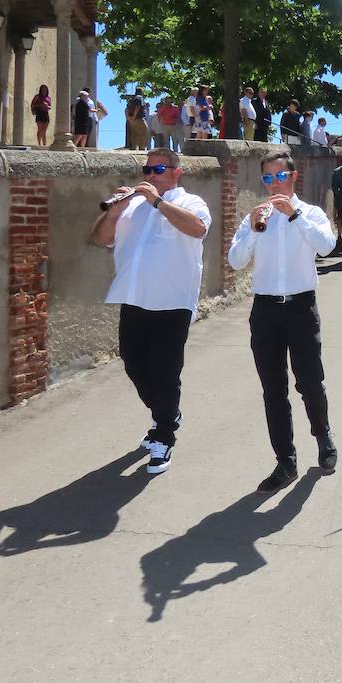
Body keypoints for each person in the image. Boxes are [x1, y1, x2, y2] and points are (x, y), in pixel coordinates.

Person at [92, 149, 212, 474]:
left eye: (158, 168)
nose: (151, 174)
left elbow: (198, 229)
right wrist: (115, 211)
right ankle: (167, 414)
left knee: (164, 372)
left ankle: (163, 436)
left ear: (177, 171)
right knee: (134, 365)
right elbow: (101, 238)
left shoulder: (191, 202)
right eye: (147, 168)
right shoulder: (130, 205)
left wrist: (157, 202)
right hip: (134, 299)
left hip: (172, 302)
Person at [228, 152, 339, 492]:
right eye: (267, 178)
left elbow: (327, 247)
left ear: (293, 176)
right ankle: (285, 460)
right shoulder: (256, 218)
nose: (273, 184)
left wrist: (295, 216)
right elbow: (235, 260)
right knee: (273, 389)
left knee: (309, 382)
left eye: (279, 177)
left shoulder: (312, 213)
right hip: (265, 311)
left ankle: (323, 436)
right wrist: (250, 229)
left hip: (301, 308)